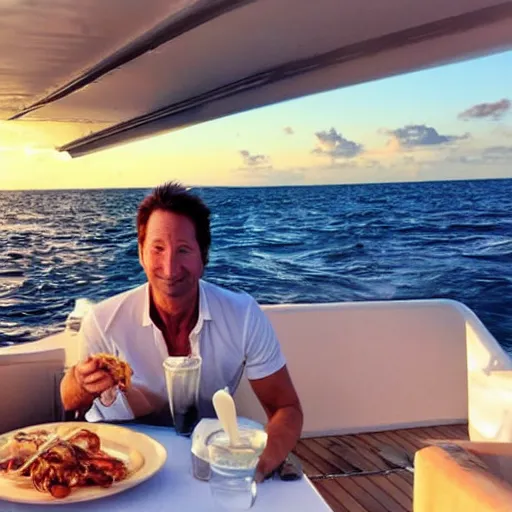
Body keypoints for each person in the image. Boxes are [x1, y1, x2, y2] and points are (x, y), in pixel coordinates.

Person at [60, 181, 303, 481]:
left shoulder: (243, 315)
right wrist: (80, 382)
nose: (170, 267)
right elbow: (70, 402)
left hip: (203, 458)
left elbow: (287, 408)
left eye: (184, 250)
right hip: (118, 463)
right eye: (157, 249)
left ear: (204, 256)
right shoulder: (102, 320)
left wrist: (260, 464)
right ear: (141, 254)